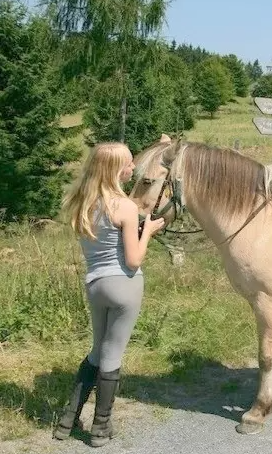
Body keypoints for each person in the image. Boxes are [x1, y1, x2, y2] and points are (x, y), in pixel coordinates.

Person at [55, 142, 165, 447]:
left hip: (95, 284)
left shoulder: (81, 202)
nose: (132, 169)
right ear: (116, 170)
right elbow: (133, 259)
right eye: (129, 164)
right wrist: (149, 232)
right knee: (112, 355)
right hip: (124, 285)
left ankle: (67, 420)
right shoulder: (126, 206)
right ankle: (100, 428)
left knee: (96, 351)